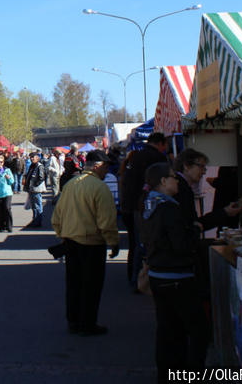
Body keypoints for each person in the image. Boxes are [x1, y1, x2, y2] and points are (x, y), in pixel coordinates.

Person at [141, 162, 207, 381]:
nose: (176, 180)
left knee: (168, 331)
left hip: (159, 275)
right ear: (163, 181)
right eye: (173, 177)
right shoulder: (168, 208)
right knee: (195, 330)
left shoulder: (150, 204)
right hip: (177, 276)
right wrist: (194, 233)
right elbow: (181, 245)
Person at [52, 149, 119, 336]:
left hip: (71, 242)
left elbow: (57, 216)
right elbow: (106, 221)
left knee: (73, 284)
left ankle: (73, 320)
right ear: (97, 166)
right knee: (91, 286)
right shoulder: (99, 187)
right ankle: (87, 323)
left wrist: (61, 234)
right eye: (105, 166)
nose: (107, 170)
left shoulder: (71, 185)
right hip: (92, 244)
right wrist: (113, 242)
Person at [120, 132, 169, 289]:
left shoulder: (136, 156)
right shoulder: (157, 158)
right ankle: (138, 280)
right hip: (144, 206)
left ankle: (132, 277)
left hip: (129, 205)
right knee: (143, 243)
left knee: (135, 243)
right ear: (161, 143)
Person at [0, 154, 15, 232]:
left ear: (3, 162)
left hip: (7, 193)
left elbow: (12, 182)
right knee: (0, 211)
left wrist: (9, 178)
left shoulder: (7, 170)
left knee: (7, 209)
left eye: (1, 162)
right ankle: (1, 226)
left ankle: (9, 226)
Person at [23, 152, 47, 227]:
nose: (32, 158)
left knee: (37, 205)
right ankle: (35, 220)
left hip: (36, 189)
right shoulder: (32, 165)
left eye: (33, 157)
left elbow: (41, 177)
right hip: (31, 188)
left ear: (37, 157)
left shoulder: (39, 166)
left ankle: (38, 221)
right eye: (31, 157)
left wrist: (35, 184)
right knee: (33, 206)